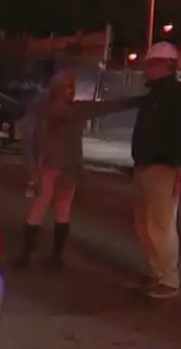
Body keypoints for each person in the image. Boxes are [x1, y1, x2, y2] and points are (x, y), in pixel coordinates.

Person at [14, 69, 139, 269]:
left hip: (66, 169)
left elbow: (107, 106)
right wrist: (32, 170)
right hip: (45, 168)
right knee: (37, 210)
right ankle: (27, 253)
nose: (70, 91)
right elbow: (29, 141)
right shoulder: (40, 111)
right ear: (55, 89)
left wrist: (137, 101)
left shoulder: (75, 111)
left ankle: (54, 256)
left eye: (71, 87)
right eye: (65, 87)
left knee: (61, 211)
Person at [129, 42, 181, 299]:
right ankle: (157, 272)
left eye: (152, 64)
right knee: (144, 223)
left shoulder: (178, 97)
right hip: (146, 166)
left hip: (164, 168)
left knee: (160, 224)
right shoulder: (155, 96)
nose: (147, 69)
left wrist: (180, 164)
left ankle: (168, 279)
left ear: (166, 66)